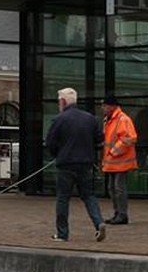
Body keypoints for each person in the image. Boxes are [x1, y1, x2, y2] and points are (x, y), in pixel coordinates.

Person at [45, 87, 107, 243]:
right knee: (88, 196)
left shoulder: (59, 119)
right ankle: (99, 223)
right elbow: (100, 140)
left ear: (63, 101)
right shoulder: (90, 119)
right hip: (85, 164)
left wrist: (57, 154)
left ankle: (62, 234)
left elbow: (50, 142)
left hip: (66, 164)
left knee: (63, 198)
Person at [101, 95, 138, 225]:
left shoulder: (122, 119)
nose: (103, 108)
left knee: (118, 188)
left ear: (112, 106)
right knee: (113, 188)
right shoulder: (109, 119)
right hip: (113, 161)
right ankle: (118, 213)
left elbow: (129, 138)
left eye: (105, 105)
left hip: (120, 161)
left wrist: (113, 152)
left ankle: (122, 215)